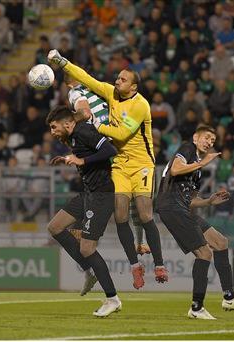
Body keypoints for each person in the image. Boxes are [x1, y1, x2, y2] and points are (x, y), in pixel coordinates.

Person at [49, 49, 168, 289]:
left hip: (142, 163)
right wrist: (63, 62)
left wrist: (95, 126)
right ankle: (135, 266)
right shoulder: (109, 94)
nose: (117, 81)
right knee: (121, 216)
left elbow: (123, 133)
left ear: (133, 87)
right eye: (118, 77)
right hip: (120, 164)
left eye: (123, 79)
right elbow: (88, 78)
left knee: (145, 214)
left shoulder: (140, 105)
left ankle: (159, 263)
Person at [156, 125, 234, 319]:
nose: (210, 142)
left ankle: (229, 297)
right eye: (207, 137)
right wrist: (203, 163)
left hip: (182, 208)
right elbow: (175, 170)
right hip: (170, 207)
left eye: (212, 140)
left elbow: (190, 201)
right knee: (204, 253)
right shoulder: (187, 149)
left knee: (220, 242)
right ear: (195, 137)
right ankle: (196, 307)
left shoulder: (198, 172)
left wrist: (209, 201)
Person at [66, 78, 150, 292]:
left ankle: (130, 262)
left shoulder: (82, 93)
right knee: (126, 210)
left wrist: (68, 120)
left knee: (119, 209)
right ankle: (136, 255)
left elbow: (84, 114)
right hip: (119, 147)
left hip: (110, 149)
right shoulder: (103, 92)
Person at [46, 105, 121, 317]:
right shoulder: (73, 138)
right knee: (55, 227)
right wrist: (70, 158)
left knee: (88, 248)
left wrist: (81, 160)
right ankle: (88, 270)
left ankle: (112, 299)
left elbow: (109, 151)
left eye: (54, 127)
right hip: (88, 193)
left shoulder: (83, 131)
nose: (52, 131)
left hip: (102, 195)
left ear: (68, 123)